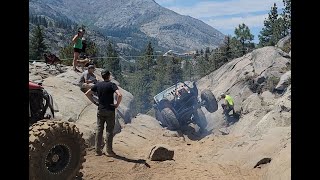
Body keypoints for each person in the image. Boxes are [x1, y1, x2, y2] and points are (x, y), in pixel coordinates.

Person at [85, 70, 122, 156]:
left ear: (102, 76)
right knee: (109, 130)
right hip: (110, 110)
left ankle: (97, 151)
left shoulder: (98, 84)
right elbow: (119, 95)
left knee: (99, 129)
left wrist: (94, 102)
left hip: (100, 109)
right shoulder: (112, 85)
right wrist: (116, 104)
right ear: (109, 76)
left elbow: (87, 93)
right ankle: (109, 151)